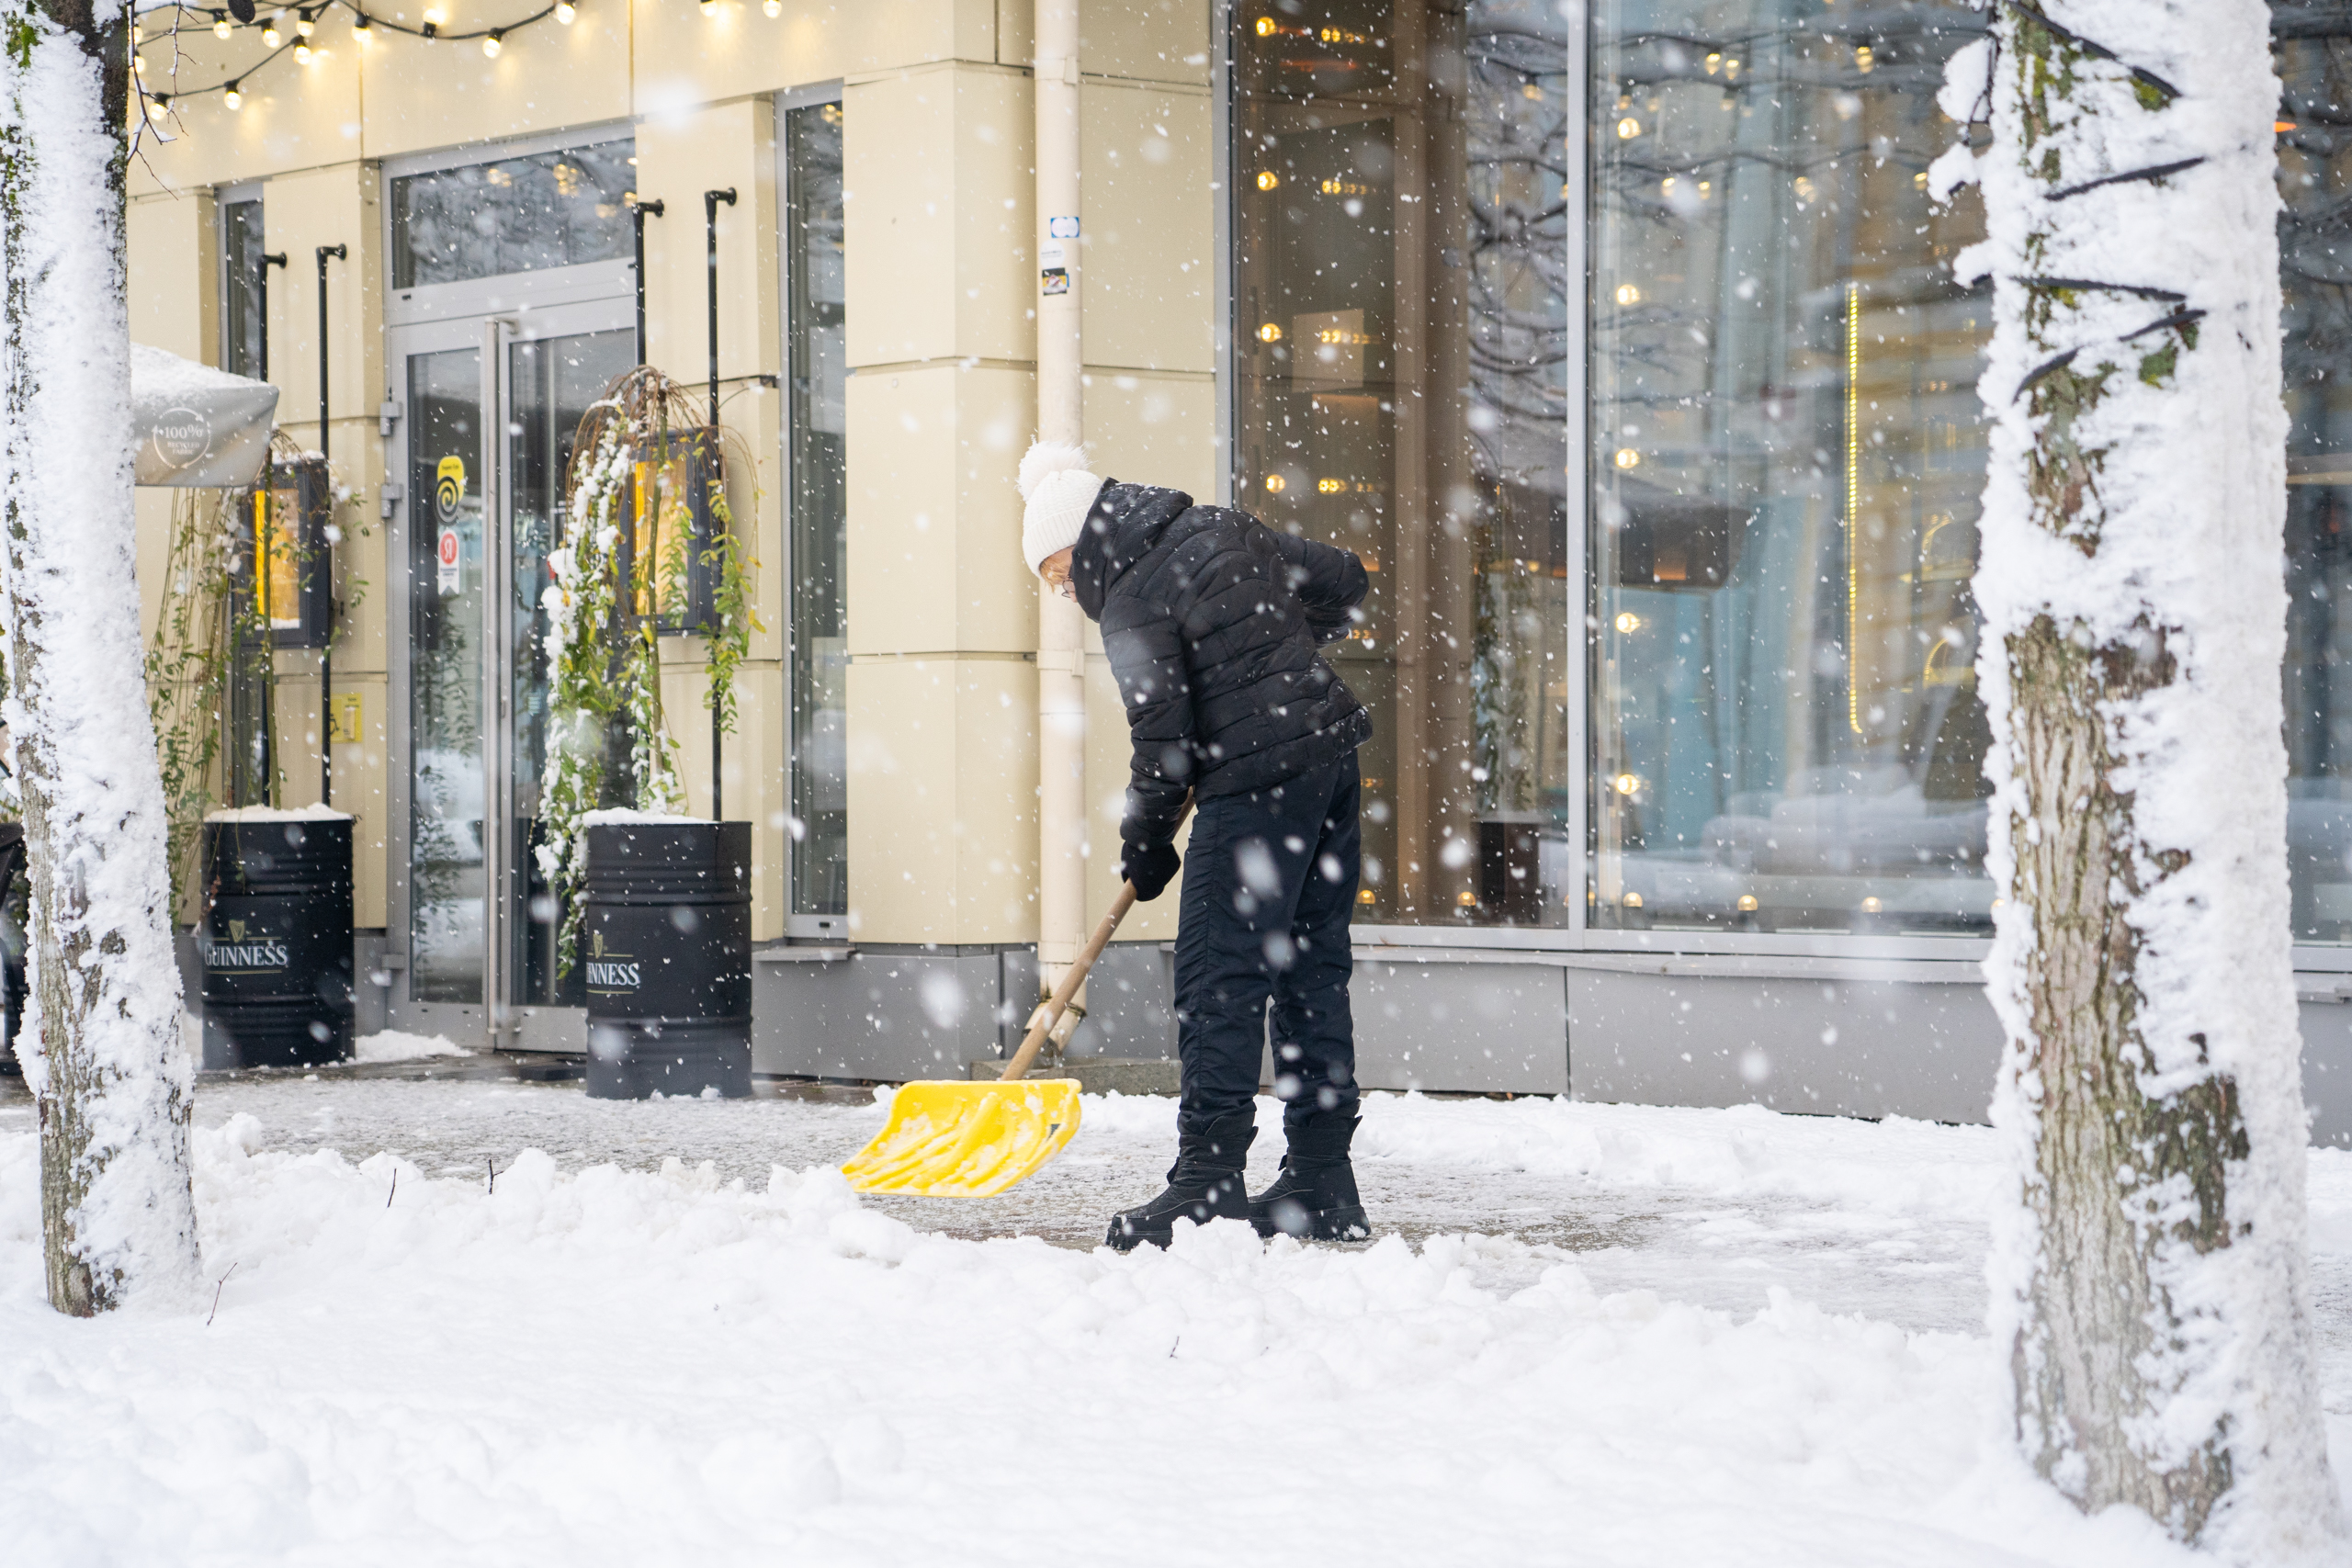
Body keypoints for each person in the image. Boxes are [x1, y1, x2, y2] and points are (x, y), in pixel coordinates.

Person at [1016, 439, 1374, 1250]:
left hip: (1257, 785)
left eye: (1059, 572)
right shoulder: (1218, 525)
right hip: (1327, 759)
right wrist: (1272, 655)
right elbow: (1347, 581)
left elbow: (1163, 741)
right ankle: (1322, 1176)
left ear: (1082, 539)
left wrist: (1143, 842)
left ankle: (1207, 1182)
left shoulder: (1130, 595)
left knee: (1219, 978)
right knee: (1309, 969)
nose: (1066, 592)